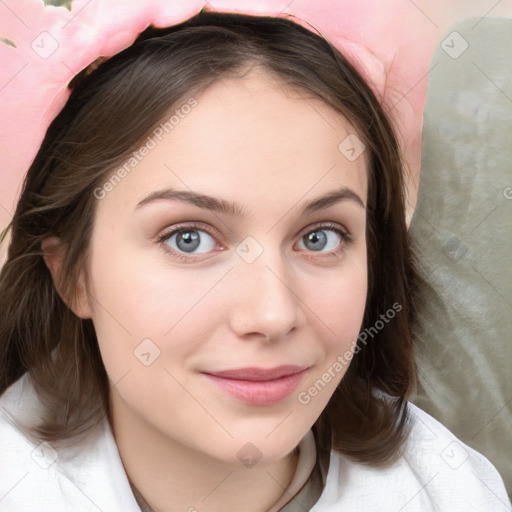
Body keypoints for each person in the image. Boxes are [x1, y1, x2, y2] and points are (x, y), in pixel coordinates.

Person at [0, 7, 509, 512]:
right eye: (189, 239)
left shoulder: (453, 491)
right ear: (72, 275)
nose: (272, 315)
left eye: (320, 238)